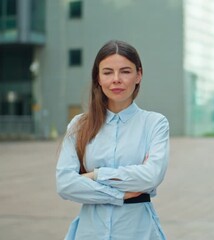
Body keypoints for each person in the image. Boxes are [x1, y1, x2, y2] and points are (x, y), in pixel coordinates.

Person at [56, 40, 169, 240]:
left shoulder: (154, 123)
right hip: (90, 232)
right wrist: (119, 195)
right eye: (107, 72)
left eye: (125, 71)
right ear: (98, 78)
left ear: (138, 75)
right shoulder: (79, 125)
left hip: (138, 232)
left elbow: (151, 176)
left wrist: (95, 175)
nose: (116, 79)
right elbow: (65, 184)